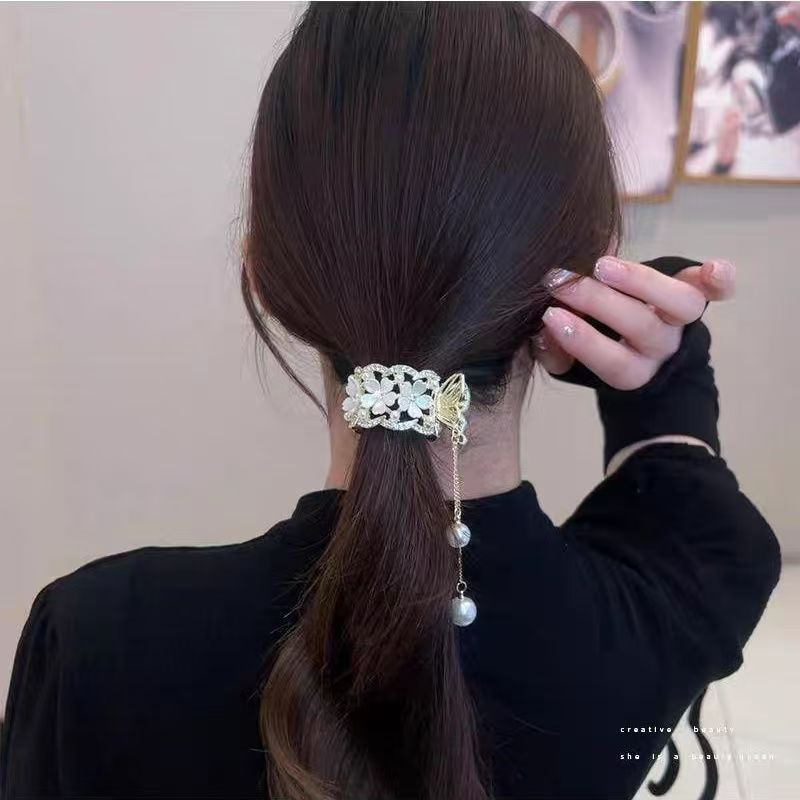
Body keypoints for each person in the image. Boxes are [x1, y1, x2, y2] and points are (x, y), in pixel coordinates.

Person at [0, 5, 780, 800]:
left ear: (262, 275)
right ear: (585, 283)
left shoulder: (97, 646)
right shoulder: (687, 592)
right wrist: (663, 369)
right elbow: (686, 494)